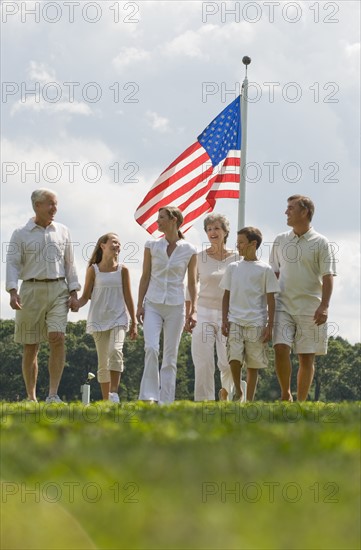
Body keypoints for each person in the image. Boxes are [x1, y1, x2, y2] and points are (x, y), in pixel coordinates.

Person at [5, 188, 80, 403]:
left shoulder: (63, 231)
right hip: (30, 290)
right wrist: (12, 291)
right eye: (50, 204)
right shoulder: (21, 233)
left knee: (58, 338)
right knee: (31, 345)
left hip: (58, 289)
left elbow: (70, 264)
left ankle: (53, 394)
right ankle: (31, 396)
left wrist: (74, 293)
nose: (54, 208)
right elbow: (12, 263)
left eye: (56, 204)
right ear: (37, 206)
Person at [270, 195, 337, 401]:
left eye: (290, 208)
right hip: (283, 305)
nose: (286, 212)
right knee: (280, 348)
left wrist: (324, 306)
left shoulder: (321, 242)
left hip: (311, 307)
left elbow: (328, 276)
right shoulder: (280, 240)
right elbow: (273, 275)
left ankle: (301, 403)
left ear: (304, 212)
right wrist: (268, 306)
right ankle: (285, 395)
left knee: (306, 357)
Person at [137, 206, 197, 404]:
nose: (157, 221)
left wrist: (192, 311)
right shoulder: (151, 246)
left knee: (170, 356)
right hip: (153, 304)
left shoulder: (189, 250)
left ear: (173, 220)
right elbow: (145, 277)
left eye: (161, 217)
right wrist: (139, 305)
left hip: (176, 307)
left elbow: (191, 283)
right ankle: (149, 396)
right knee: (151, 348)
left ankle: (166, 401)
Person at [75, 233, 137, 402]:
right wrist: (74, 304)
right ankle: (105, 401)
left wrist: (134, 321)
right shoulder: (93, 270)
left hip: (119, 319)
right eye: (114, 242)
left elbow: (128, 296)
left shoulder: (123, 269)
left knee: (115, 351)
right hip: (98, 320)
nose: (117, 245)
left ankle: (114, 393)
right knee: (103, 363)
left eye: (119, 243)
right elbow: (85, 296)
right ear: (103, 246)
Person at [221, 227, 280, 401]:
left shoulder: (265, 270)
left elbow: (271, 300)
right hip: (235, 321)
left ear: (253, 244)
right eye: (237, 242)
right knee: (234, 358)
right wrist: (224, 319)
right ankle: (239, 391)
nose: (237, 246)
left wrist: (270, 325)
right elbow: (226, 296)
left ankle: (249, 400)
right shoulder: (233, 267)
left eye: (241, 242)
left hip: (257, 323)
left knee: (253, 365)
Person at [186, 213, 238, 401]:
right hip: (203, 313)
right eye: (209, 229)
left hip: (229, 316)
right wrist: (190, 313)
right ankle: (203, 400)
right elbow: (191, 287)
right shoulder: (198, 257)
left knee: (227, 362)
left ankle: (227, 393)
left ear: (225, 231)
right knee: (203, 361)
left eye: (216, 228)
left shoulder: (237, 258)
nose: (212, 232)